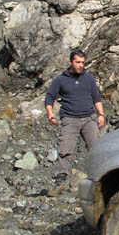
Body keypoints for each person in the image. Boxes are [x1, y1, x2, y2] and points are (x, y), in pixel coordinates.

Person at [45, 49, 104, 196]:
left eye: (83, 62)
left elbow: (96, 97)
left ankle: (101, 178)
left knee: (96, 148)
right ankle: (60, 181)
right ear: (70, 62)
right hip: (69, 119)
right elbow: (50, 97)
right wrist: (50, 113)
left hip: (89, 118)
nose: (80, 65)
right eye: (77, 62)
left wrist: (101, 114)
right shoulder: (60, 79)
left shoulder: (89, 78)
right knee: (65, 149)